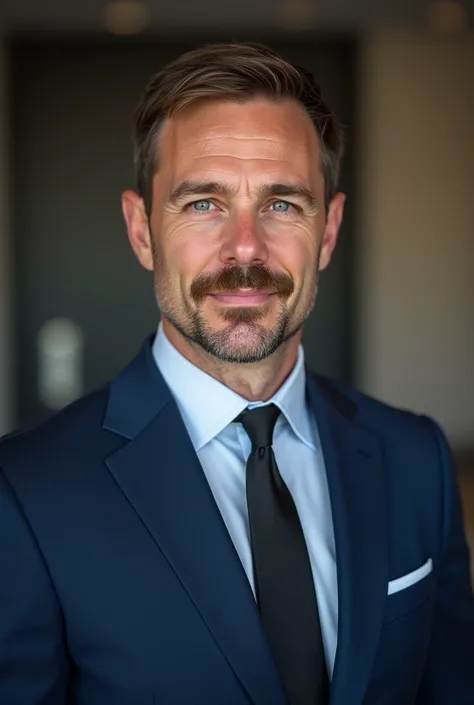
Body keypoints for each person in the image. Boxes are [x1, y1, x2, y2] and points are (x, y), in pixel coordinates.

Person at [0, 42, 473, 705]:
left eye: (283, 204)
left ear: (328, 230)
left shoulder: (416, 458)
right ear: (142, 230)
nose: (245, 247)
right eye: (204, 204)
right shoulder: (23, 493)